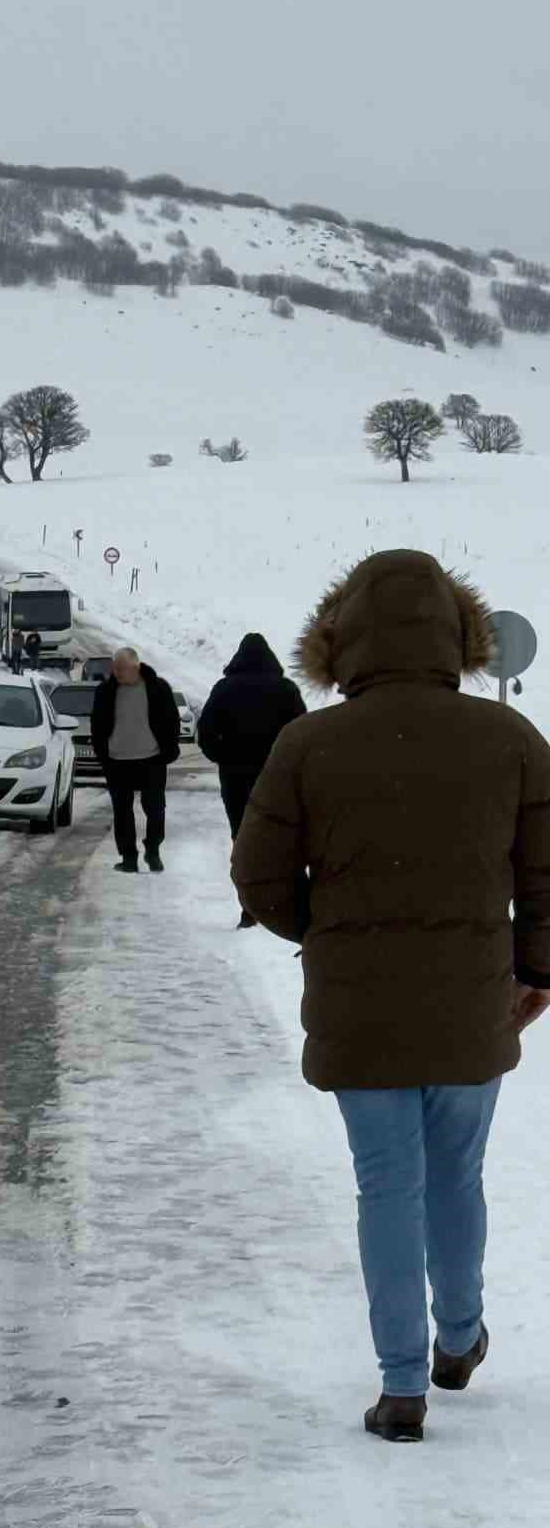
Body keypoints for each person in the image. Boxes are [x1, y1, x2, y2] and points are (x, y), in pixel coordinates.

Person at [232, 550, 550, 1444]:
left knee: (386, 1189)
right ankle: (460, 1339)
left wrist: (326, 935)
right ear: (459, 636)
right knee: (458, 1175)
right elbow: (546, 872)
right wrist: (536, 971)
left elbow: (258, 875)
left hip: (360, 1010)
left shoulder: (309, 742)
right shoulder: (510, 739)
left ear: (343, 640)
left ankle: (402, 1385)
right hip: (471, 1004)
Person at [197, 632, 306, 928]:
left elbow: (205, 733)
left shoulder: (224, 689)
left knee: (242, 838)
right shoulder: (285, 689)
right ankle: (286, 906)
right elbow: (301, 734)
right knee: (282, 838)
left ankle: (249, 906)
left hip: (236, 778)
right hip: (278, 778)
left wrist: (224, 757)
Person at [92, 646, 181, 872]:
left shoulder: (158, 689)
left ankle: (153, 852)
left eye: (122, 669)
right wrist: (102, 752)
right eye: (115, 668)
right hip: (117, 761)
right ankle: (129, 858)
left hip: (151, 759)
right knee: (122, 812)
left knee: (155, 809)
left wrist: (168, 749)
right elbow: (98, 724)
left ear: (136, 667)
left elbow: (172, 721)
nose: (117, 673)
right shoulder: (106, 691)